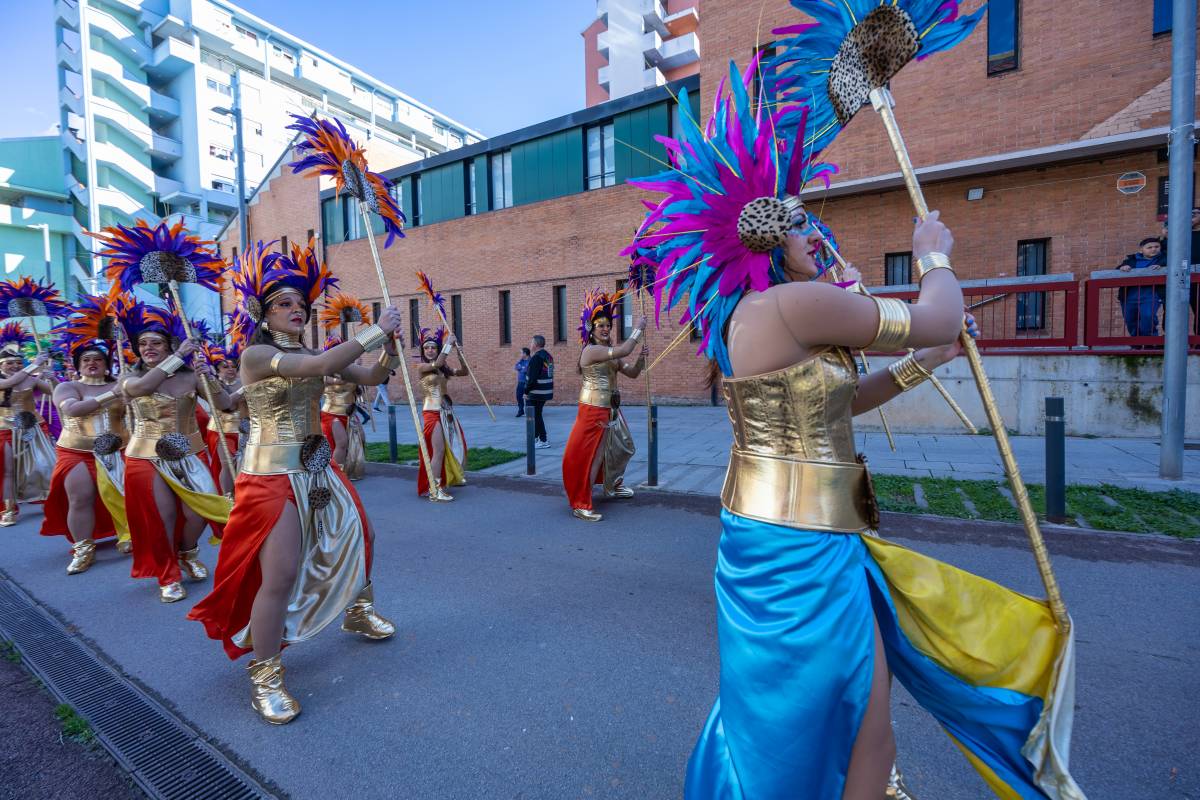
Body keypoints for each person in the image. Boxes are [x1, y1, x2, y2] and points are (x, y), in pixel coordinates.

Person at [626, 79, 1082, 799]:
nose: (820, 237)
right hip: (796, 549)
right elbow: (937, 313)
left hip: (808, 535)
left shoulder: (771, 313)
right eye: (806, 227)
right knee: (837, 720)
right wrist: (932, 253)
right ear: (773, 235)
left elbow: (839, 406)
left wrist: (921, 365)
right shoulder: (795, 304)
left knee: (849, 709)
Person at [189, 239, 400, 725]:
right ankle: (265, 675)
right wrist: (375, 329)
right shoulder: (257, 355)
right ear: (264, 313)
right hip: (270, 476)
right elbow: (321, 368)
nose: (296, 310)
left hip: (317, 468)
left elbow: (366, 376)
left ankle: (355, 610)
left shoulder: (310, 350)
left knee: (361, 537)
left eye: (301, 305)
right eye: (284, 304)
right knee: (279, 576)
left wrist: (388, 351)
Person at [117, 301, 233, 603]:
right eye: (142, 343)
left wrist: (209, 376)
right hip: (145, 457)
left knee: (198, 513)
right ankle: (167, 574)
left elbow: (225, 405)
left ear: (169, 344)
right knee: (161, 517)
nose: (148, 348)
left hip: (190, 455)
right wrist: (178, 355)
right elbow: (143, 388)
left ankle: (186, 552)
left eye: (156, 342)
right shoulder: (129, 378)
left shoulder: (190, 376)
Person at [41, 303, 129, 574]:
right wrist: (115, 392)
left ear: (106, 363)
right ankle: (83, 548)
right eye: (86, 360)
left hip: (120, 450)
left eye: (98, 360)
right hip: (78, 452)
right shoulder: (68, 387)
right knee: (80, 499)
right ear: (78, 365)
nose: (92, 364)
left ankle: (129, 534)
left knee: (131, 497)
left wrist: (130, 388)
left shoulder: (123, 383)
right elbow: (72, 409)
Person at [560, 290, 647, 522]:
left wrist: (641, 360)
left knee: (622, 447)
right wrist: (639, 328)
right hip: (593, 411)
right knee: (592, 456)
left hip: (611, 410)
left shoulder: (609, 354)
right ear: (591, 328)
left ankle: (613, 484)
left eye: (608, 325)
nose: (605, 328)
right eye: (600, 325)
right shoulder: (591, 351)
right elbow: (624, 349)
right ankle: (582, 502)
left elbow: (633, 373)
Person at [0, 324, 58, 526]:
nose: (14, 366)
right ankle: (9, 509)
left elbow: (54, 393)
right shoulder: (4, 380)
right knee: (8, 470)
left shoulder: (29, 379)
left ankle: (51, 500)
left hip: (33, 427)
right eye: (9, 363)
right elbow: (9, 384)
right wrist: (34, 365)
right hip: (6, 429)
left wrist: (52, 378)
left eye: (17, 362)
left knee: (46, 465)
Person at [415, 326, 469, 501]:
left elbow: (464, 372)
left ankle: (449, 478)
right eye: (427, 348)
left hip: (446, 412)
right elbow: (437, 363)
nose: (430, 350)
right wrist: (448, 344)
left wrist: (458, 352)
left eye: (433, 347)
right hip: (431, 413)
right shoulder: (422, 366)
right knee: (437, 451)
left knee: (449, 449)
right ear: (423, 350)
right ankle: (435, 489)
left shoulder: (443, 368)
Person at [202, 340, 246, 497]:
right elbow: (228, 404)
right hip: (221, 431)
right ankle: (228, 498)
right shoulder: (212, 385)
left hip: (242, 431)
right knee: (227, 465)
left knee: (242, 464)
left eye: (233, 366)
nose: (230, 369)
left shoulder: (244, 381)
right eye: (225, 366)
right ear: (217, 370)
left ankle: (241, 494)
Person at [1159, 207, 1200, 336]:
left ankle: (1198, 340)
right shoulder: (1178, 234)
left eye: (1194, 213)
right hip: (1181, 275)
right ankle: (1170, 339)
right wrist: (1165, 238)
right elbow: (1162, 253)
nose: (1190, 216)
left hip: (1198, 277)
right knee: (1173, 306)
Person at [1116, 237, 1166, 338]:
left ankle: (1150, 344)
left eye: (1157, 247)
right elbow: (1117, 269)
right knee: (1130, 320)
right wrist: (1122, 267)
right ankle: (1136, 345)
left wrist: (1162, 266)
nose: (1153, 249)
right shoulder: (1131, 260)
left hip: (1151, 295)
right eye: (1149, 247)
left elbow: (1173, 266)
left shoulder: (1164, 259)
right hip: (1129, 296)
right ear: (1141, 250)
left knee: (1148, 317)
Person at [524, 335, 554, 448]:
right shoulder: (548, 356)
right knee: (537, 414)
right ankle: (536, 438)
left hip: (536, 393)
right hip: (545, 392)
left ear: (536, 344)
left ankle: (543, 440)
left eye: (531, 342)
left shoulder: (536, 358)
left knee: (536, 416)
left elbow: (533, 378)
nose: (530, 345)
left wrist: (526, 392)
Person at [514, 347, 530, 416]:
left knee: (527, 398)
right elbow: (516, 367)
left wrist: (521, 368)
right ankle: (521, 410)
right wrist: (521, 367)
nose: (520, 354)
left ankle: (529, 411)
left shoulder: (531, 361)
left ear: (525, 354)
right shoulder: (521, 360)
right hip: (520, 382)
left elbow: (526, 370)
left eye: (521, 353)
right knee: (518, 396)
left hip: (527, 383)